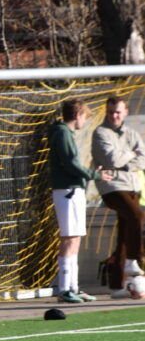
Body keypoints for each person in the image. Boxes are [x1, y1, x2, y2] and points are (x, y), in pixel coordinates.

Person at [48, 99, 111, 304]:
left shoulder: (65, 133)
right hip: (68, 191)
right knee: (69, 238)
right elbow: (70, 164)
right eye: (84, 116)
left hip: (73, 191)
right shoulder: (62, 133)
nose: (84, 121)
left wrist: (90, 173)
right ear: (77, 115)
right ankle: (64, 289)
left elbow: (72, 165)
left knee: (75, 238)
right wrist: (95, 175)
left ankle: (73, 287)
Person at [91, 94, 145, 293]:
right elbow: (111, 160)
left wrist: (127, 163)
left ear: (125, 112)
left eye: (118, 112)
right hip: (111, 186)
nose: (114, 116)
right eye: (111, 112)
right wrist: (131, 154)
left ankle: (116, 285)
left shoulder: (132, 133)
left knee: (125, 231)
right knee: (137, 216)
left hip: (132, 185)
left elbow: (143, 158)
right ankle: (134, 260)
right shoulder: (100, 133)